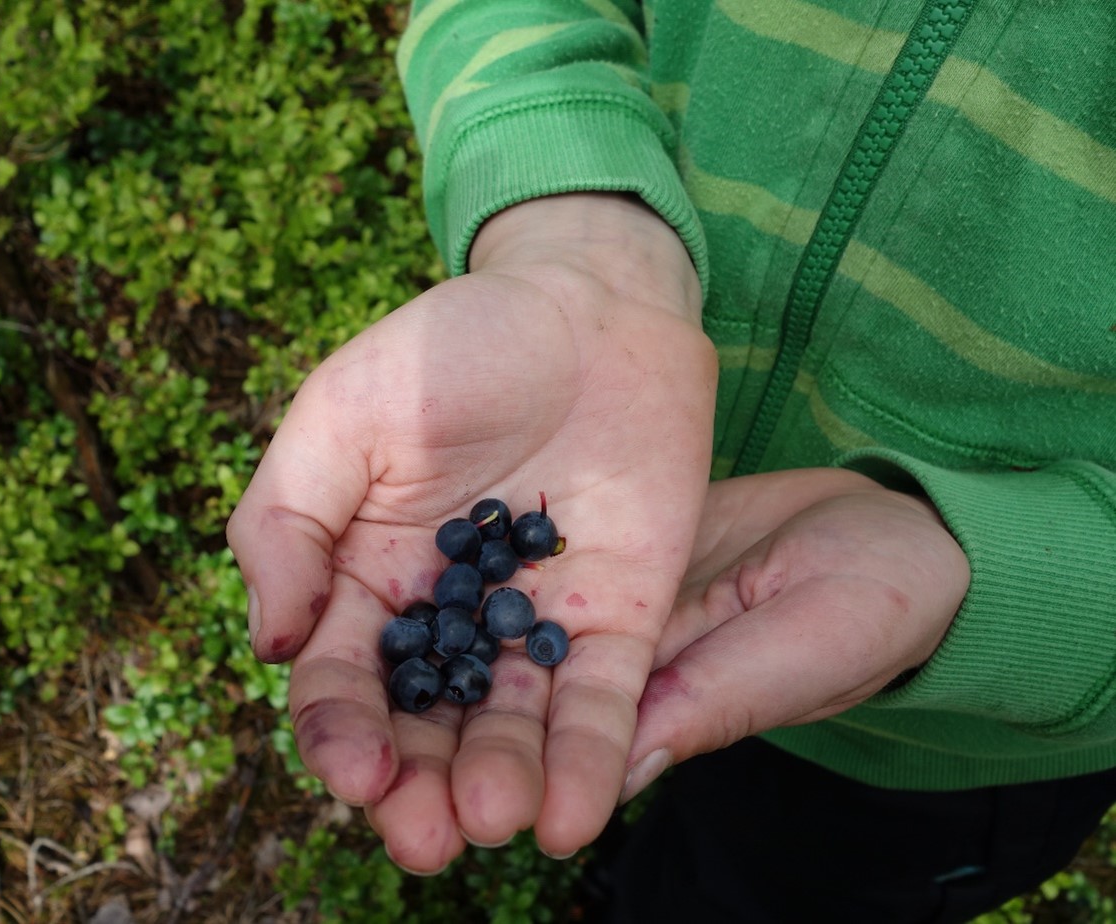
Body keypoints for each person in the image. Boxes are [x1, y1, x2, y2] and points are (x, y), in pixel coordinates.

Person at [225, 0, 1116, 919]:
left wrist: (1003, 577)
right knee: (640, 808)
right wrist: (572, 228)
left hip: (955, 746)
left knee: (780, 891)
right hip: (640, 564)